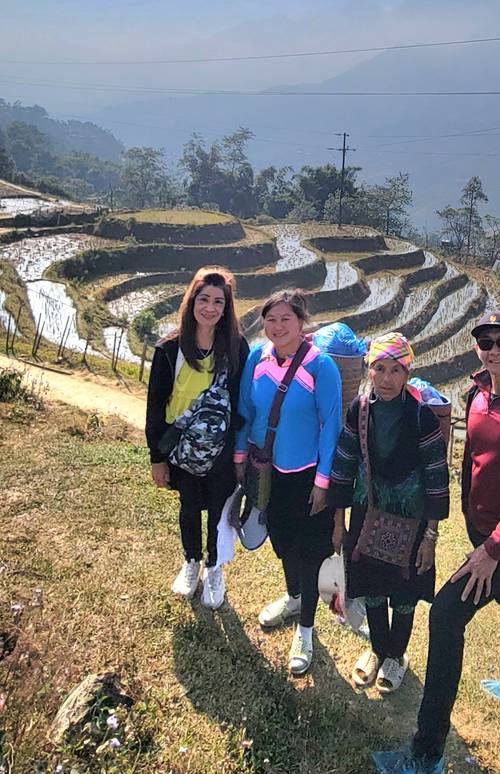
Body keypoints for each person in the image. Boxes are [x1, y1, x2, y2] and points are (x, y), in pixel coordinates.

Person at [373, 310, 500, 774]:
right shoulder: (479, 394)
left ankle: (425, 755)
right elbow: (473, 461)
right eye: (486, 342)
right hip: (485, 533)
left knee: (445, 615)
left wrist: (493, 551)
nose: (494, 349)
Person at [329, 333, 449, 694]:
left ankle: (397, 656)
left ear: (407, 374)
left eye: (395, 370)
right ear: (369, 370)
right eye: (379, 369)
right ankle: (378, 649)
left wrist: (431, 537)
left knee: (404, 589)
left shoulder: (421, 417)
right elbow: (345, 462)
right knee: (372, 585)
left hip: (411, 521)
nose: (386, 379)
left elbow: (436, 478)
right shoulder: (360, 410)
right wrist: (338, 522)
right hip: (367, 513)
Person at [234, 289, 341, 675]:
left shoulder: (319, 366)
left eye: (286, 319)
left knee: (309, 552)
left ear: (301, 322)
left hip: (307, 476)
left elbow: (332, 425)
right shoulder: (256, 359)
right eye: (271, 319)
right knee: (280, 541)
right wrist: (239, 457)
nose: (277, 327)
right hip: (268, 473)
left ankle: (306, 630)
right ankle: (294, 597)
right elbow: (245, 411)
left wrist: (323, 481)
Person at [146, 266, 249, 609]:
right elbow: (156, 406)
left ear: (226, 307)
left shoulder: (236, 348)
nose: (210, 307)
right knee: (189, 506)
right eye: (204, 299)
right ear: (191, 301)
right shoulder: (169, 349)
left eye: (219, 302)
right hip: (181, 448)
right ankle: (191, 562)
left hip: (221, 449)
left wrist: (239, 454)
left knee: (219, 512)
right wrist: (156, 457)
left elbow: (240, 403)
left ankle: (214, 567)